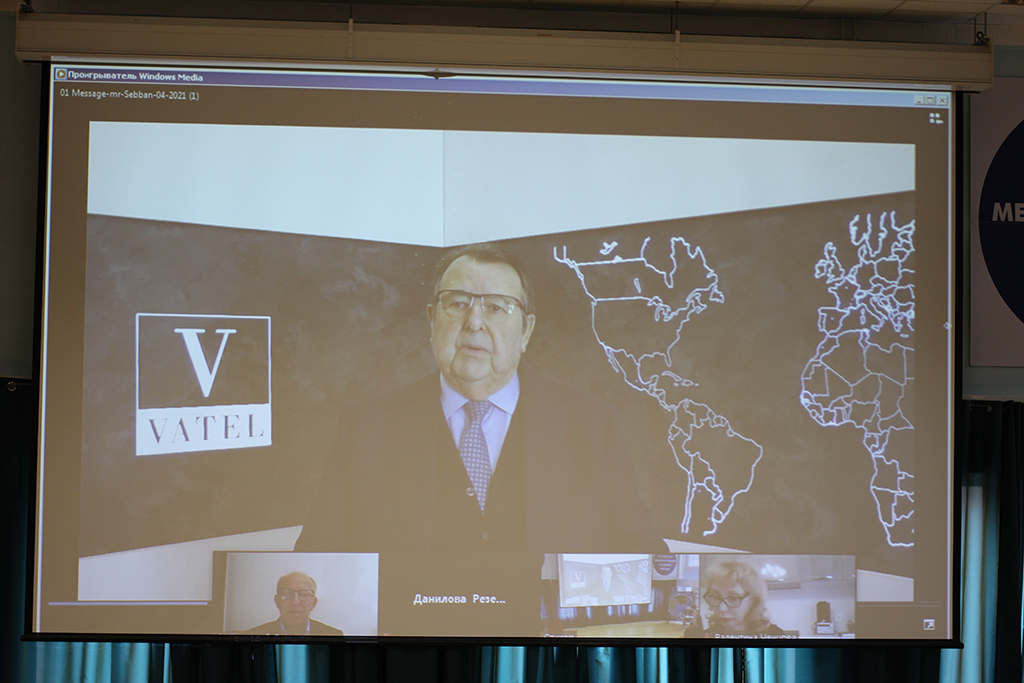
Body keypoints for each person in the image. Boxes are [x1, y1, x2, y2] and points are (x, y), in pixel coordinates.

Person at [296, 243, 660, 553]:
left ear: (526, 330)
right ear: (431, 321)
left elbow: (642, 552)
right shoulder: (366, 426)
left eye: (496, 307)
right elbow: (317, 556)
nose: (473, 322)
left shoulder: (591, 425)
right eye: (457, 303)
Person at [686, 560, 785, 638]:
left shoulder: (775, 636)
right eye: (715, 596)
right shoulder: (706, 636)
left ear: (754, 602)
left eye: (733, 598)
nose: (721, 608)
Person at [246, 571, 344, 636]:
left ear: (313, 603)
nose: (295, 601)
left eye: (304, 594)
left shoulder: (333, 635)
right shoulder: (254, 635)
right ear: (277, 601)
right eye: (287, 594)